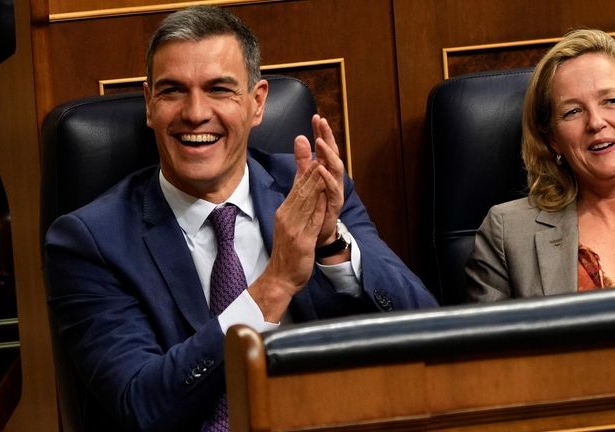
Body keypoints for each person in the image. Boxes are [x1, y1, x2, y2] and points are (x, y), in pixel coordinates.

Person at [45, 5, 437, 431]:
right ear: (149, 105)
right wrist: (275, 285)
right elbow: (141, 405)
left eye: (219, 89)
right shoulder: (89, 241)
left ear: (257, 102)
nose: (195, 113)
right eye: (173, 90)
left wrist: (330, 246)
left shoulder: (307, 188)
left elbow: (430, 335)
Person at [466, 28, 615, 302]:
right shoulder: (508, 233)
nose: (595, 122)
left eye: (611, 101)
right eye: (573, 111)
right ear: (553, 140)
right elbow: (492, 343)